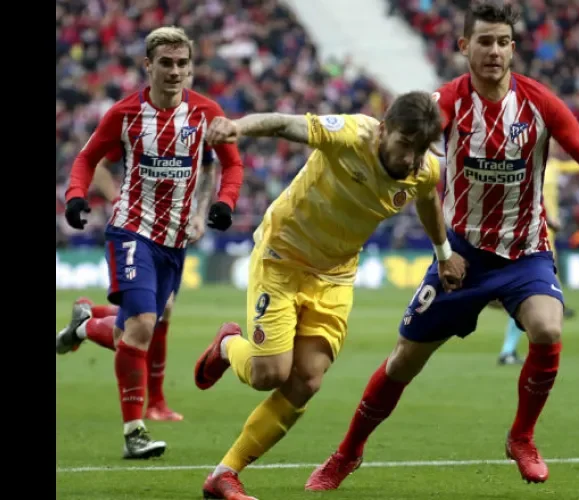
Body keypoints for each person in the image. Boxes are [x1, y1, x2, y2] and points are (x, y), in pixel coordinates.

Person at [305, 1, 579, 490]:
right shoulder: (446, 103)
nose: (494, 51)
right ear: (464, 46)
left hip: (524, 252)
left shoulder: (540, 103)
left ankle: (522, 438)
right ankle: (346, 453)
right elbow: (401, 145)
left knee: (548, 329)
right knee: (404, 360)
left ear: (514, 48)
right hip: (461, 257)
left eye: (502, 42)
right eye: (484, 41)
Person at [193, 91, 466, 500]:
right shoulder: (352, 134)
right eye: (404, 144)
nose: (410, 158)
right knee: (269, 373)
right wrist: (236, 127)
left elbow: (427, 201)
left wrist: (444, 253)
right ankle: (228, 344)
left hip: (334, 276)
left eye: (420, 149)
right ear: (384, 129)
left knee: (306, 379)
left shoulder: (423, 171)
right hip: (282, 256)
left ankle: (224, 473)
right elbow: (285, 122)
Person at [60, 26, 244, 459]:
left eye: (183, 63)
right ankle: (135, 431)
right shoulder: (125, 114)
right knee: (143, 327)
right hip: (131, 230)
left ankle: (85, 324)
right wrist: (74, 196)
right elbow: (87, 158)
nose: (175, 71)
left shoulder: (206, 113)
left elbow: (233, 165)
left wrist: (225, 203)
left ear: (191, 67)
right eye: (166, 63)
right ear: (148, 66)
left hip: (175, 243)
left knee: (132, 332)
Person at [57, 142, 217, 422]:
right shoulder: (142, 127)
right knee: (144, 323)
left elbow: (210, 165)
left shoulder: (194, 121)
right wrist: (117, 199)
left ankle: (89, 318)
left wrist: (199, 213)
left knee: (154, 317)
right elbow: (97, 165)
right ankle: (88, 327)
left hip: (172, 234)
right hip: (135, 232)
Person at [497, 143, 575, 365]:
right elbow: (531, 194)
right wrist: (549, 219)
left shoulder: (546, 166)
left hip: (532, 236)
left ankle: (508, 350)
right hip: (528, 237)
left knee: (527, 293)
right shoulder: (528, 167)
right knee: (527, 293)